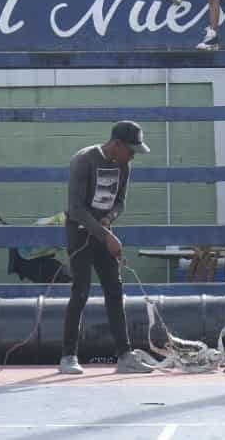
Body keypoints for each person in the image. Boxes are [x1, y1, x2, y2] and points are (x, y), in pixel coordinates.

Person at [59, 121, 155, 375]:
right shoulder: (84, 160)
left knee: (115, 289)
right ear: (116, 144)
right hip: (80, 234)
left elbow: (121, 202)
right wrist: (106, 236)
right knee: (80, 291)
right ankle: (68, 355)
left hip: (103, 232)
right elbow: (76, 209)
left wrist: (109, 218)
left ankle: (124, 355)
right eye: (131, 149)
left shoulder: (125, 165)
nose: (133, 155)